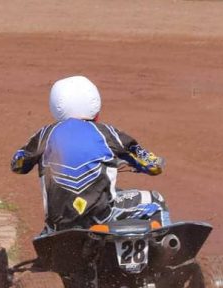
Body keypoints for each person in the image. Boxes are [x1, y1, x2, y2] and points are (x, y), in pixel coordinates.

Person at [10, 75, 170, 233]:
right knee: (156, 200)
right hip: (101, 218)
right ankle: (165, 254)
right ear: (95, 105)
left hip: (58, 226)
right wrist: (151, 163)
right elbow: (152, 166)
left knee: (46, 232)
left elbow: (17, 165)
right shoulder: (108, 133)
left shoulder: (45, 134)